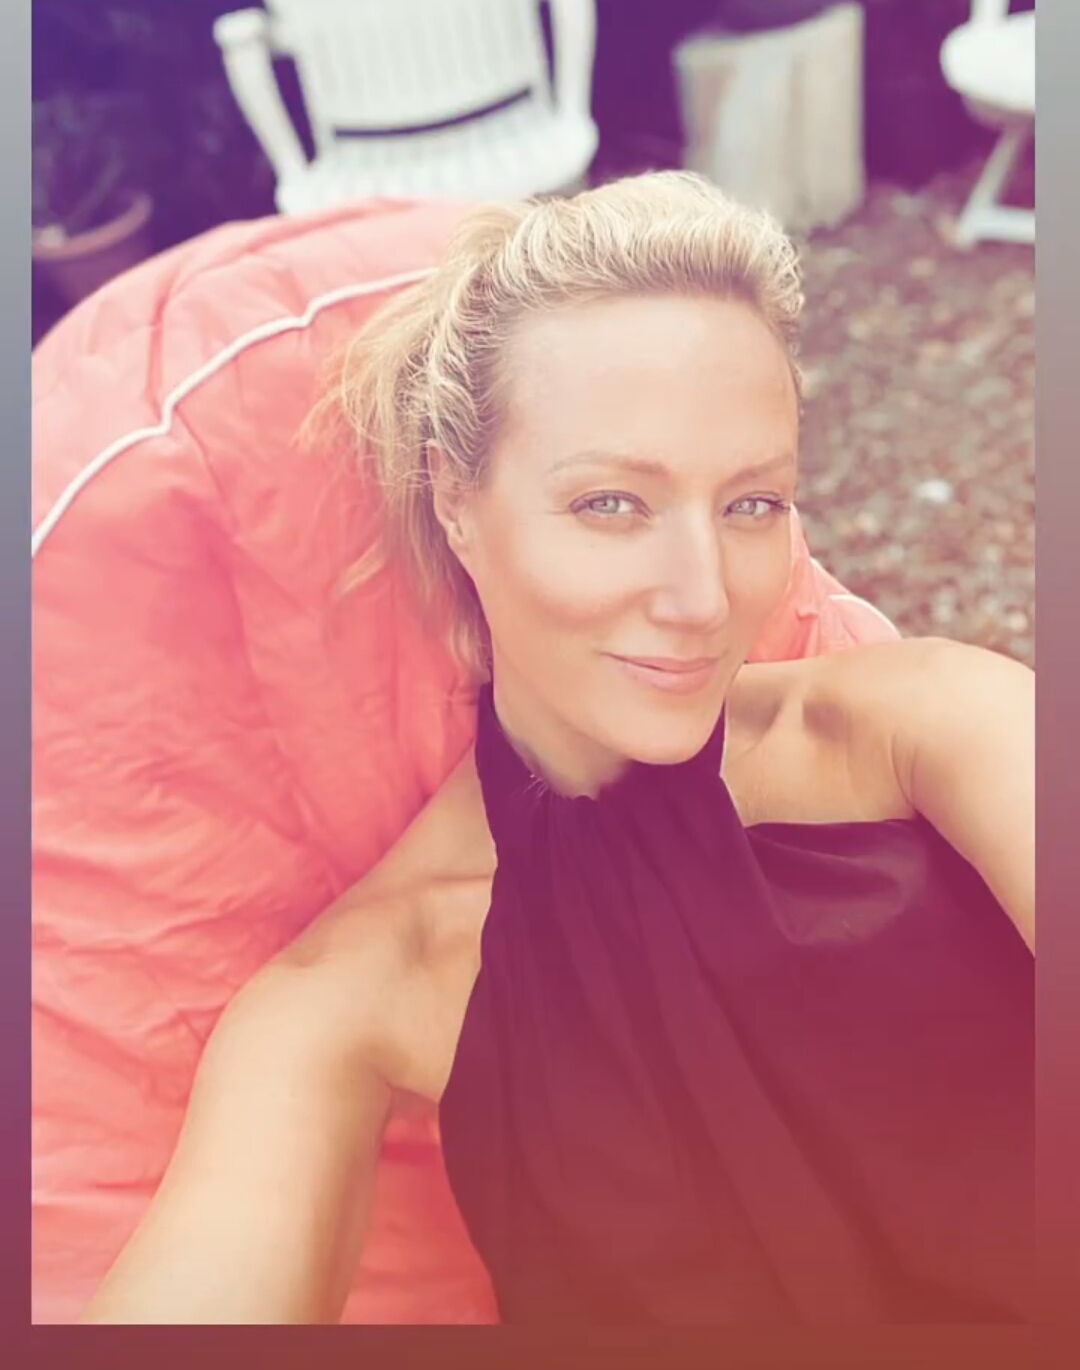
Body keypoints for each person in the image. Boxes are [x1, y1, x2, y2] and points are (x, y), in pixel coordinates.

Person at [83, 172, 1033, 1326]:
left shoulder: (934, 730)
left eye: (751, 503)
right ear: (456, 500)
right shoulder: (350, 999)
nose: (702, 597)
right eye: (610, 504)